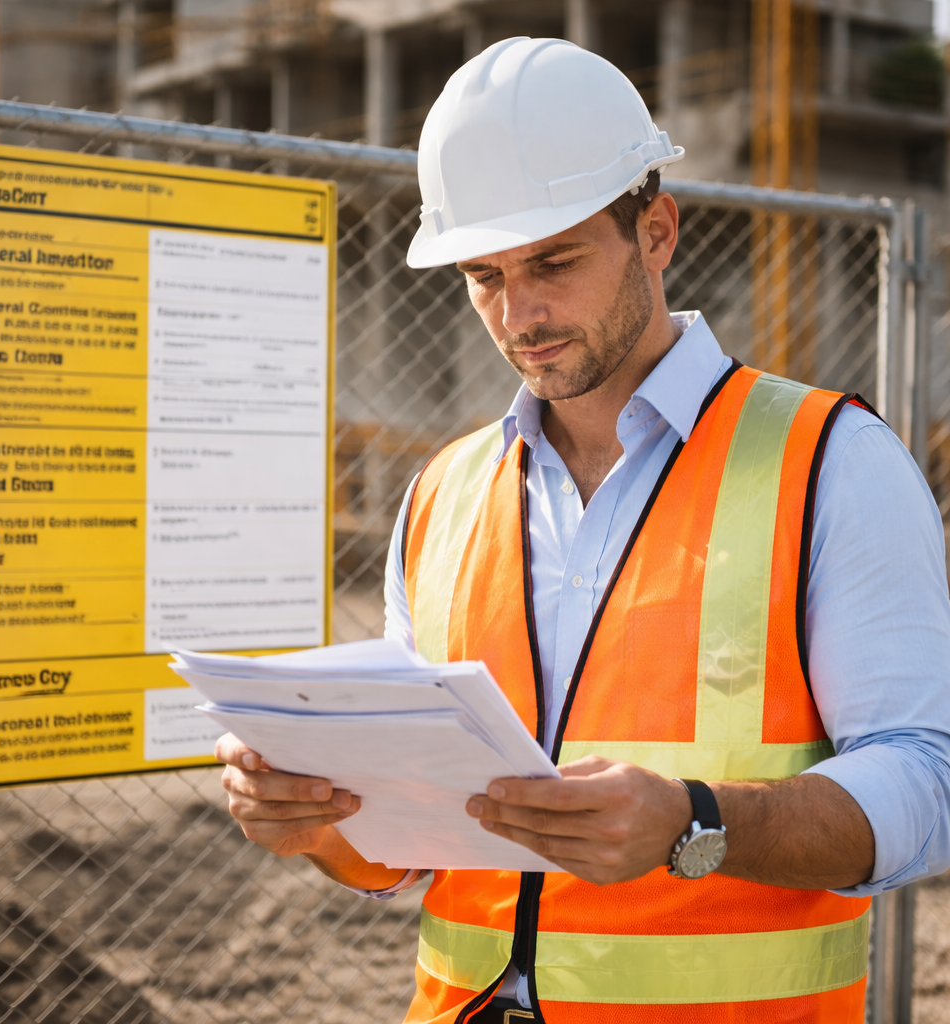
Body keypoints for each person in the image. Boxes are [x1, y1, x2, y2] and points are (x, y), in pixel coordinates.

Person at [215, 38, 950, 1024]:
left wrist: (698, 823)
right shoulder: (444, 491)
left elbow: (928, 781)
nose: (519, 314)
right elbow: (401, 851)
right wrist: (316, 824)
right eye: (483, 275)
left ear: (655, 230)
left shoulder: (831, 462)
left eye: (553, 261)